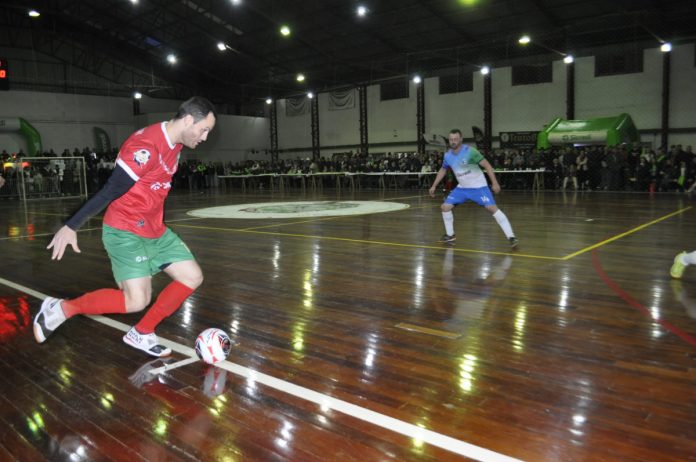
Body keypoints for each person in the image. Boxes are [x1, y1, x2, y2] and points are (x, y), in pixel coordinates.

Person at [33, 96, 217, 357]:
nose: (205, 137)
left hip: (154, 229)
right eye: (204, 129)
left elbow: (155, 190)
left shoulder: (176, 142)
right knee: (136, 300)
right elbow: (111, 189)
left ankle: (142, 332)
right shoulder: (145, 147)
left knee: (192, 276)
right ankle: (62, 309)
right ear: (188, 120)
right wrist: (71, 225)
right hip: (125, 229)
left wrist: (161, 229)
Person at [429, 129, 518, 247]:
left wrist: (495, 183)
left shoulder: (470, 151)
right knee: (445, 207)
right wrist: (434, 185)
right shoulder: (447, 155)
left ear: (461, 139)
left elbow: (487, 165)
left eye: (455, 139)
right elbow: (443, 169)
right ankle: (450, 235)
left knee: (493, 209)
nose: (453, 141)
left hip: (478, 187)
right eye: (451, 139)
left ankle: (511, 237)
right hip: (462, 188)